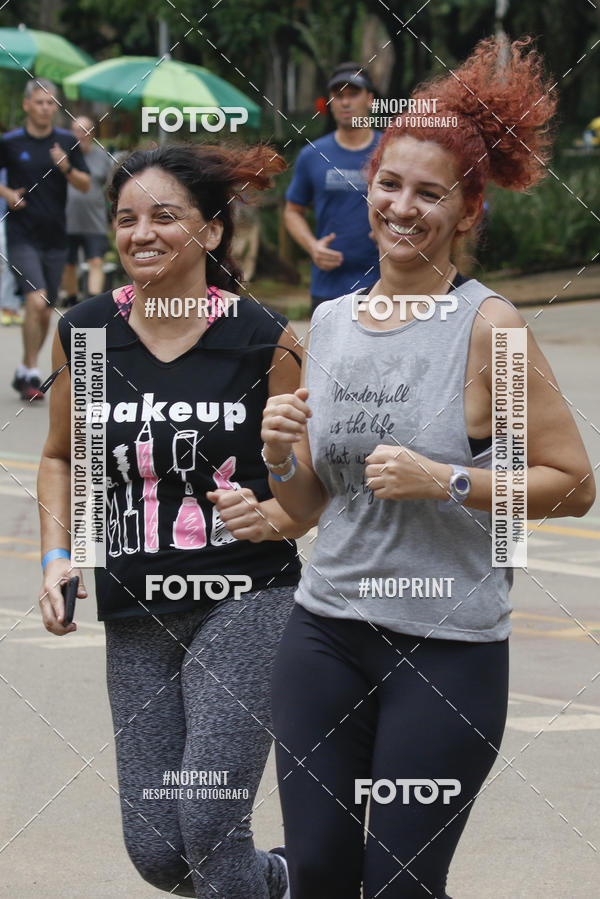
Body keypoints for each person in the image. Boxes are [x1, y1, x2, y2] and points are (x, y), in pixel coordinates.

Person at [262, 37, 596, 898]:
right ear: (366, 187)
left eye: (429, 193)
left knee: (401, 883)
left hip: (445, 651)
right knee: (321, 873)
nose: (402, 208)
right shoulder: (321, 328)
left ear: (468, 209)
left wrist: (447, 478)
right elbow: (302, 507)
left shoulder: (492, 330)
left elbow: (572, 481)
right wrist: (277, 452)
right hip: (325, 633)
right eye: (389, 184)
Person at [37, 143, 314, 898]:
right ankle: (287, 882)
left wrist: (278, 513)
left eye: (165, 216)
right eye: (126, 218)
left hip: (245, 596)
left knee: (208, 819)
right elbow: (63, 456)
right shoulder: (89, 332)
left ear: (213, 232)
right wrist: (57, 555)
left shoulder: (264, 337)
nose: (141, 233)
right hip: (134, 606)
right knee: (159, 849)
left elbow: (309, 483)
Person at [0, 79, 90, 400]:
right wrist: (8, 193)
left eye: (51, 103)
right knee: (35, 301)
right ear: (27, 105)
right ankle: (33, 371)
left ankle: (25, 370)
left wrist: (65, 167)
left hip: (56, 236)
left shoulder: (66, 141)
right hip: (22, 234)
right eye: (39, 102)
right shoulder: (10, 141)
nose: (45, 108)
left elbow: (84, 184)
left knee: (45, 308)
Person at [284, 62, 382, 311]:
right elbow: (292, 211)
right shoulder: (312, 154)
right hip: (328, 288)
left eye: (353, 94)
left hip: (384, 284)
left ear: (370, 99)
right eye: (338, 95)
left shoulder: (391, 150)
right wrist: (312, 246)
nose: (345, 102)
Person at [63, 116, 114, 306]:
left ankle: (92, 302)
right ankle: (72, 299)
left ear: (92, 134)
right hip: (67, 219)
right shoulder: (63, 156)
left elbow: (110, 188)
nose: (80, 135)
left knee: (96, 262)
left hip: (95, 219)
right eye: (76, 130)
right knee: (68, 264)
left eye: (84, 131)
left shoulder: (102, 156)